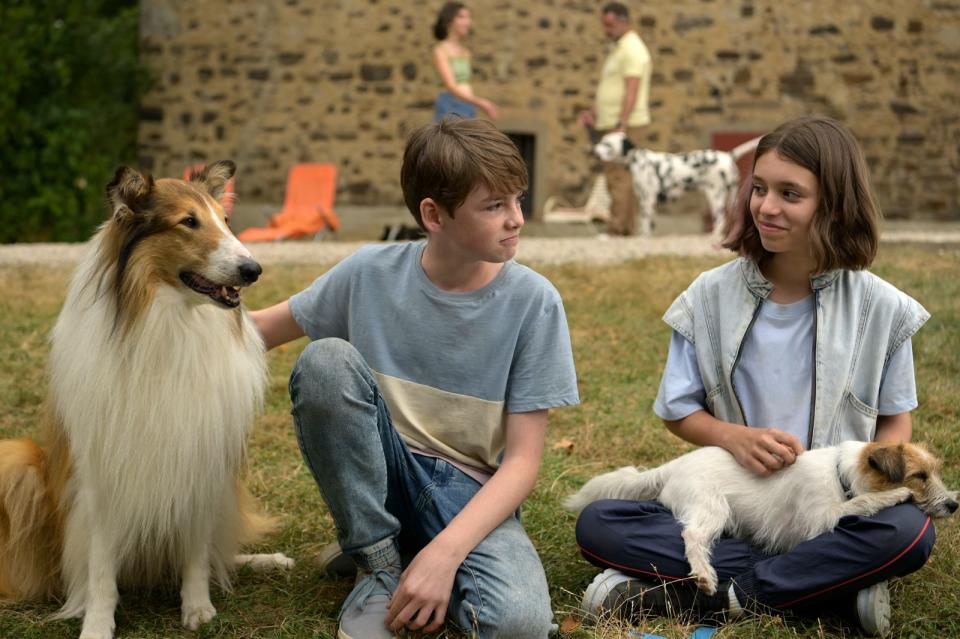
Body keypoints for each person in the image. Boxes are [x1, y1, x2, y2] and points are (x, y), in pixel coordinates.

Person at [573, 116, 935, 637]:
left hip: (834, 508)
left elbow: (896, 425)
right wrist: (731, 438)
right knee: (601, 523)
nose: (766, 206)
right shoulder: (708, 296)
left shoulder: (883, 307)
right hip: (741, 508)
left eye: (791, 194)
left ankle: (707, 594)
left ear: (834, 204)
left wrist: (860, 485)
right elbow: (679, 409)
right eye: (759, 188)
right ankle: (821, 588)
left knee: (909, 530)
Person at [252, 117, 579, 639]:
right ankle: (380, 563)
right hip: (381, 472)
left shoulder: (535, 303)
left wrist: (447, 554)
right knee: (325, 362)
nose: (516, 219)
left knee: (518, 625)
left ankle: (412, 550)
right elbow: (255, 332)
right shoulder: (367, 272)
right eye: (494, 206)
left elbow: (521, 463)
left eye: (517, 200)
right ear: (434, 215)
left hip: (468, 491)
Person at [578, 2, 652, 236]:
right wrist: (594, 111)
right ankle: (625, 228)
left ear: (623, 20)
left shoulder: (632, 48)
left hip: (625, 124)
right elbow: (612, 87)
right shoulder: (620, 48)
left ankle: (617, 228)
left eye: (609, 24)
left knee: (619, 176)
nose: (605, 30)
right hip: (612, 121)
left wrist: (621, 123)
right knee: (619, 176)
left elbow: (632, 88)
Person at [431, 2, 498, 122]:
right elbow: (451, 86)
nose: (468, 22)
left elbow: (465, 84)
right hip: (449, 106)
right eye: (462, 17)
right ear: (449, 20)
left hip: (467, 106)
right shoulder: (440, 50)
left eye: (468, 17)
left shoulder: (465, 52)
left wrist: (472, 102)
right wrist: (481, 103)